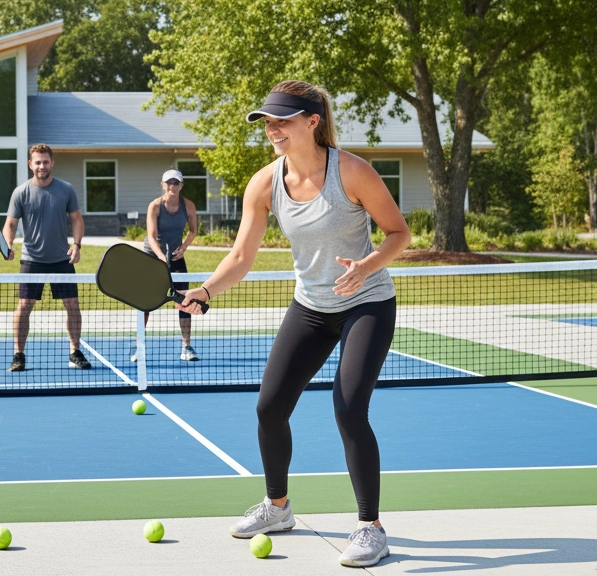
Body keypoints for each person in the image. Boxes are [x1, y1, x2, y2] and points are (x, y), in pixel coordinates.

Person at [176, 81, 410, 568]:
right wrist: (204, 291)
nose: (272, 130)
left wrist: (366, 267)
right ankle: (278, 508)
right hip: (311, 306)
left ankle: (371, 527)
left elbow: (398, 233)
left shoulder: (351, 171)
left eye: (282, 121)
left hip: (366, 302)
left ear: (312, 122)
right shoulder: (264, 183)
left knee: (348, 408)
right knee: (269, 406)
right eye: (267, 122)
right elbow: (241, 257)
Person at [3, 143, 92, 372]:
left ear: (52, 163)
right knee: (24, 306)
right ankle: (19, 355)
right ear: (30, 164)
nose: (41, 166)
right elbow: (10, 224)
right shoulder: (20, 192)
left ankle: (74, 352)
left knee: (72, 305)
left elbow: (77, 220)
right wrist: (9, 244)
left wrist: (77, 245)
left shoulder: (66, 189)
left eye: (45, 161)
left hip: (62, 260)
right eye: (37, 162)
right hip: (31, 260)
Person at [132, 168, 200, 363]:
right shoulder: (154, 206)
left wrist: (184, 247)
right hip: (152, 255)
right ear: (163, 185)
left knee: (184, 301)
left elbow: (193, 231)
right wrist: (161, 257)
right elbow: (152, 237)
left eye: (176, 182)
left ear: (181, 185)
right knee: (146, 302)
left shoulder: (188, 206)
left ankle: (186, 346)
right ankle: (140, 347)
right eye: (168, 182)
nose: (172, 186)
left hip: (176, 256)